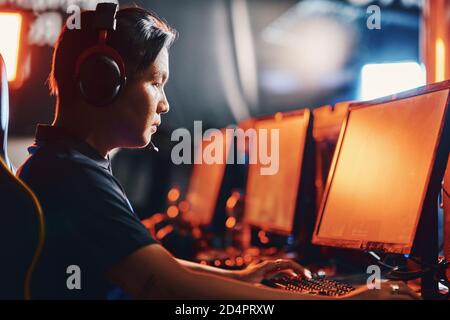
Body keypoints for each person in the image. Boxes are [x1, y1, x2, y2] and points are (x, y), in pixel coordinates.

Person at [17, 5, 417, 300]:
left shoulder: (67, 166)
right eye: (155, 83)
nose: (165, 104)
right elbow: (166, 286)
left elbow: (147, 264)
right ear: (101, 82)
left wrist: (239, 280)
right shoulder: (71, 178)